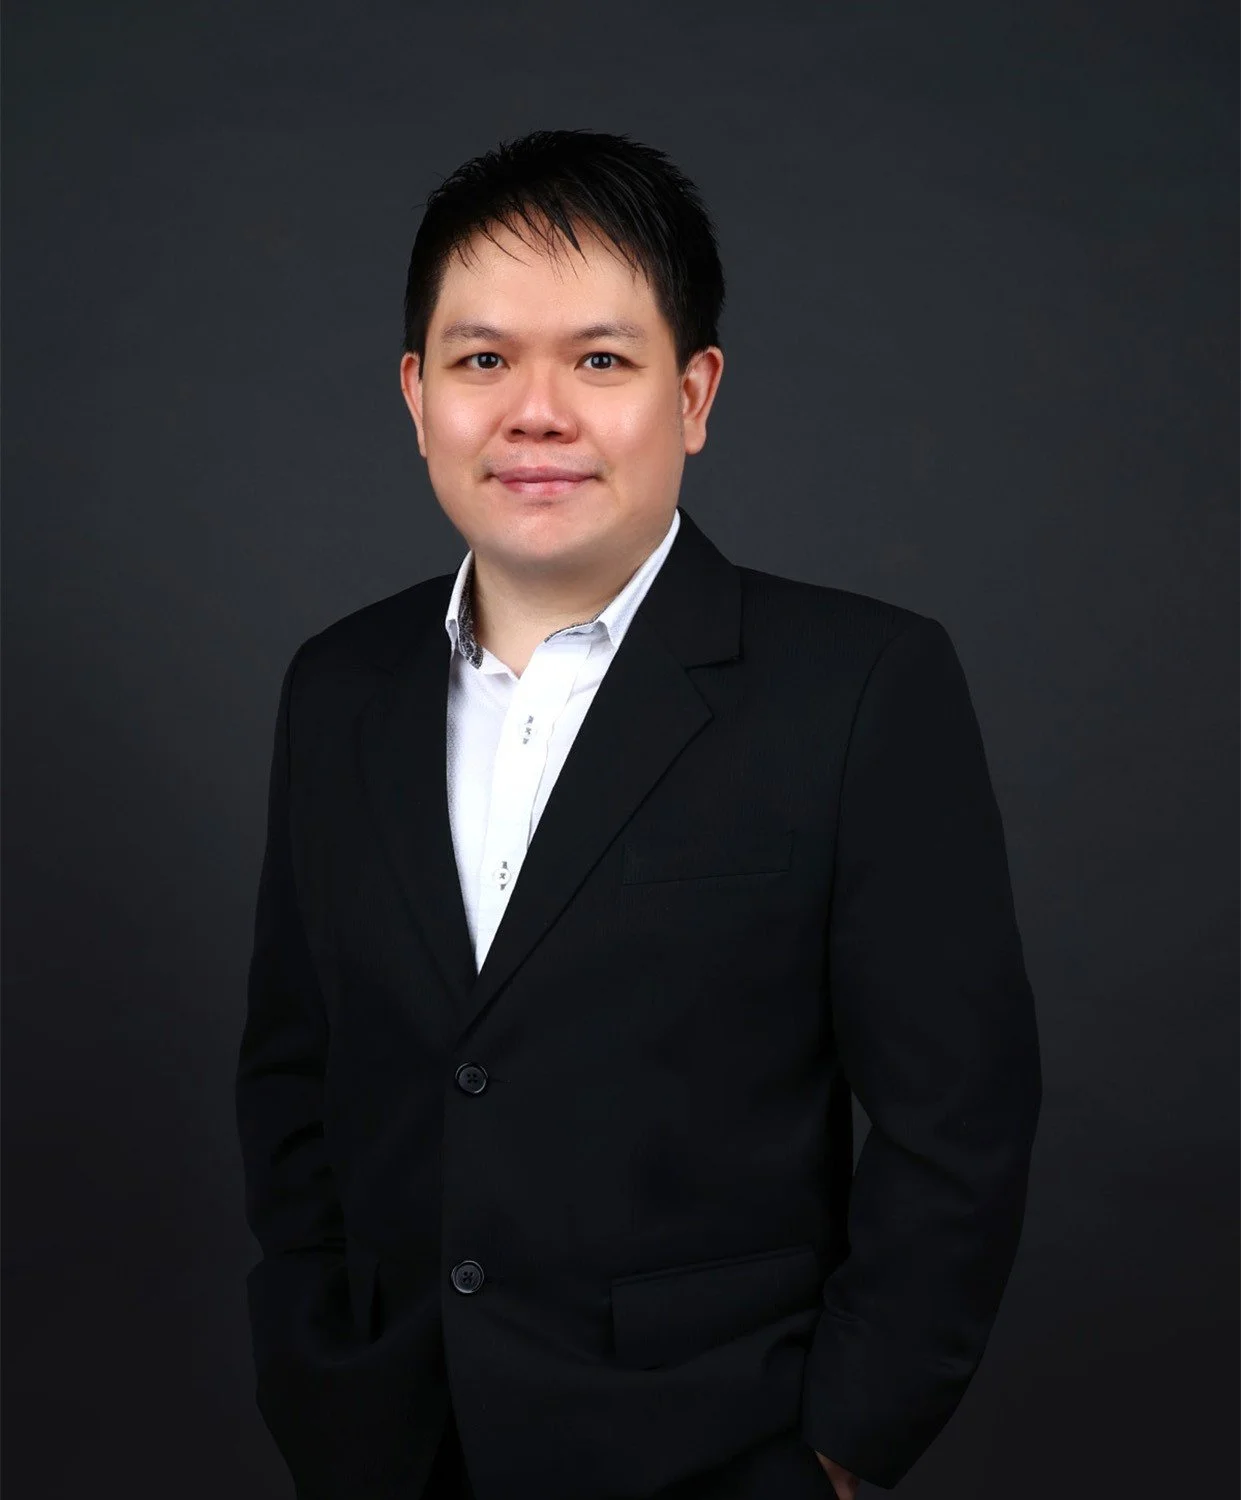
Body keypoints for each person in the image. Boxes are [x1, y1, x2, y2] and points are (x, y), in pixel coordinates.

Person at [235, 128, 1042, 1500]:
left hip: (719, 1449)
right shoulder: (339, 686)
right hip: (391, 1445)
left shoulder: (860, 686)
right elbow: (293, 1073)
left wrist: (844, 1447)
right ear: (419, 395)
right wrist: (317, 1368)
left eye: (601, 360)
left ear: (694, 393)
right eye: (483, 361)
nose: (536, 412)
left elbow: (957, 1122)